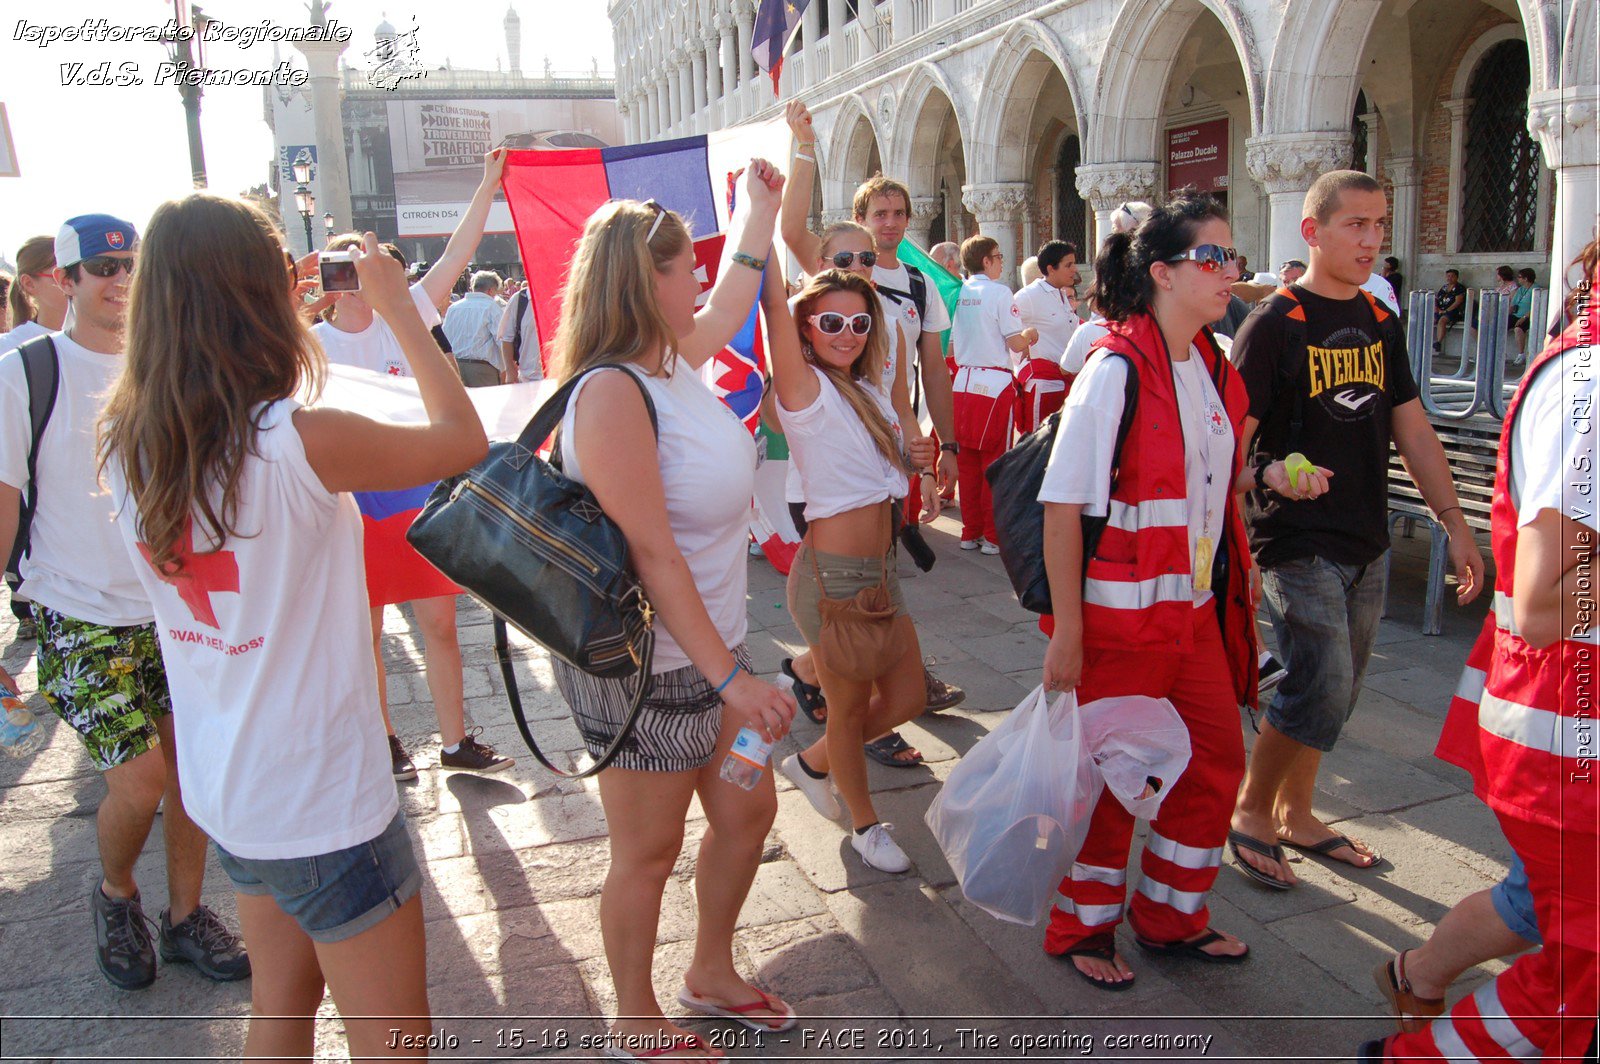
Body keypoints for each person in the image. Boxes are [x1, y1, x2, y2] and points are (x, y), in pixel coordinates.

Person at [103, 195, 487, 1058]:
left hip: (229, 784)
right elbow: (460, 439)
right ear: (263, 291)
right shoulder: (295, 441)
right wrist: (396, 305)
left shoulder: (130, 441)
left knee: (279, 1009)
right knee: (396, 1042)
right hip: (321, 797)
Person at [549, 167, 800, 1061]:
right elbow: (652, 555)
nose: (699, 277)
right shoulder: (614, 391)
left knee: (745, 815)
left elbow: (735, 292)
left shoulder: (672, 361)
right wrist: (734, 678)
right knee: (649, 849)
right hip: (646, 669)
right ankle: (635, 1014)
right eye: (682, 266)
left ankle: (710, 971)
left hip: (716, 649)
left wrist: (761, 213)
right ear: (643, 281)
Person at [1361, 240, 1598, 1064]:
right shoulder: (1593, 389)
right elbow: (1541, 603)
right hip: (1569, 734)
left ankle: (1418, 977)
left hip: (1567, 725)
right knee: (1578, 969)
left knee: (1547, 914)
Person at [0, 214, 249, 991]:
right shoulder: (25, 371)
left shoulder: (168, 364)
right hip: (74, 611)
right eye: (100, 269)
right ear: (63, 281)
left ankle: (184, 918)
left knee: (192, 780)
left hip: (172, 609)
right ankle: (116, 895)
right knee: (138, 784)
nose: (119, 282)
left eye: (130, 267)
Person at [1229, 171, 1484, 888]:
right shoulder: (1272, 324)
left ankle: (1298, 812)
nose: (1373, 240)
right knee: (1322, 677)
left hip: (1365, 535)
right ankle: (1252, 809)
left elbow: (1412, 425)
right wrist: (1272, 471)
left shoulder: (1379, 318)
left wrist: (1453, 521)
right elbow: (1230, 446)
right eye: (1356, 225)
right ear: (1313, 231)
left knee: (1343, 687)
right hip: (1293, 538)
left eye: (1379, 224)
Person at [1037, 189, 1260, 989]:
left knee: (1212, 763)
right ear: (1162, 273)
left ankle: (1169, 916)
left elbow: (1212, 487)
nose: (1228, 271)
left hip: (1192, 617)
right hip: (1118, 627)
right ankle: (1080, 927)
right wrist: (1067, 631)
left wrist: (1249, 538)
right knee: (1109, 782)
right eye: (1213, 257)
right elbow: (1062, 508)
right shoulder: (1113, 369)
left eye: (1232, 256)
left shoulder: (1212, 362)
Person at [315, 150, 514, 780]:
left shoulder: (409, 315)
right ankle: (385, 741)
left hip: (418, 495)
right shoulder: (308, 343)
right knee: (364, 633)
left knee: (441, 624)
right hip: (350, 502)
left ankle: (455, 742)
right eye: (342, 270)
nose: (356, 282)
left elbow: (457, 252)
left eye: (363, 269)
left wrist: (487, 182)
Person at [777, 101, 966, 746]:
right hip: (835, 470)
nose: (885, 229)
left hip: (886, 457)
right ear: (856, 225)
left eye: (897, 214)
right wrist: (802, 148)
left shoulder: (916, 287)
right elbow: (790, 229)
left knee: (875, 589)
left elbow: (907, 383)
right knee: (856, 597)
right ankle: (861, 713)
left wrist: (934, 449)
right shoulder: (829, 278)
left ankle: (820, 677)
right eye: (876, 215)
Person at [765, 263, 937, 875]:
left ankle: (812, 762)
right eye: (831, 321)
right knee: (848, 706)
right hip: (834, 579)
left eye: (860, 323)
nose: (848, 333)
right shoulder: (804, 390)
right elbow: (774, 308)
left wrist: (915, 457)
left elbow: (876, 473)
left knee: (910, 696)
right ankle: (864, 824)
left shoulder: (861, 392)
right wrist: (761, 226)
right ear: (805, 329)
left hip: (880, 571)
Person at [948, 235, 1036, 553]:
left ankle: (970, 532)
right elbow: (1016, 343)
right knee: (994, 462)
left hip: (963, 382)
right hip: (994, 385)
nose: (1001, 261)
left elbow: (953, 343)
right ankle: (992, 535)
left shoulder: (958, 292)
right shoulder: (999, 292)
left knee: (968, 462)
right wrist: (1030, 334)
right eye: (998, 256)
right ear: (987, 260)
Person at [1014, 240, 1081, 432]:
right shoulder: (1029, 295)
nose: (1074, 270)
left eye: (1074, 264)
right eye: (1068, 265)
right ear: (1051, 269)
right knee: (1036, 447)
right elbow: (1004, 323)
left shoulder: (1061, 294)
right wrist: (1022, 342)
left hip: (1063, 383)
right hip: (1043, 385)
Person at [1, 236, 70, 354]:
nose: (75, 282)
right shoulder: (7, 348)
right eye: (63, 276)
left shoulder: (103, 341)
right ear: (29, 284)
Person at [441, 269, 507, 386]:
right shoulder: (491, 307)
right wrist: (509, 365)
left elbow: (445, 337)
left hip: (455, 365)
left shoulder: (454, 308)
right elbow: (501, 339)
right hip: (482, 368)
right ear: (490, 290)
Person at [497, 277, 542, 382]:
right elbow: (507, 338)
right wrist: (510, 370)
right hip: (529, 378)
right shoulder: (520, 299)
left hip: (563, 378)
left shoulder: (567, 297)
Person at [1432, 268, 1467, 353]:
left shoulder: (1459, 288)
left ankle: (1438, 342)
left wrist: (1446, 311)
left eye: (1452, 276)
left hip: (1453, 311)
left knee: (1442, 321)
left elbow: (1458, 301)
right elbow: (1436, 299)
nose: (1449, 278)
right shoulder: (1444, 287)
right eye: (1448, 276)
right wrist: (1436, 308)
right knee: (1430, 320)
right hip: (1440, 310)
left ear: (1457, 277)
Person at [1509, 266, 1536, 359]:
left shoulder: (1535, 289)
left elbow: (1535, 307)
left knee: (1518, 329)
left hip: (1528, 317)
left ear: (1526, 278)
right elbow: (1513, 305)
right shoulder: (1520, 289)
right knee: (1500, 325)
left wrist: (1524, 317)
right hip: (1516, 315)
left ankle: (1521, 354)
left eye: (1520, 277)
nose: (1518, 279)